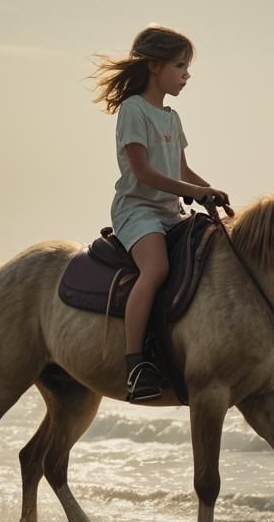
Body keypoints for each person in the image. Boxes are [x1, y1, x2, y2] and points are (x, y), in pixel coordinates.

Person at [92, 25, 232, 402]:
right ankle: (136, 362)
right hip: (137, 211)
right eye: (180, 65)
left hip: (171, 212)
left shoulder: (171, 118)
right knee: (156, 269)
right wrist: (195, 192)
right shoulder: (134, 110)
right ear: (155, 66)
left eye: (187, 67)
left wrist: (210, 191)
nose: (187, 74)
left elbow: (182, 172)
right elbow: (144, 173)